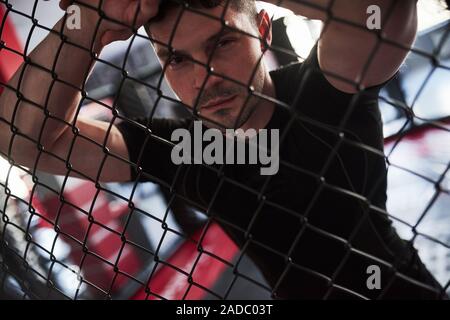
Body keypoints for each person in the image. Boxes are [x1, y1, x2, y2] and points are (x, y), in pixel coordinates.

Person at [0, 0, 446, 299]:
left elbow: (377, 9)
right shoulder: (183, 148)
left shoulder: (324, 92)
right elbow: (23, 140)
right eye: (177, 59)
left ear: (263, 31)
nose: (204, 77)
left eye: (222, 43)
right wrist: (91, 21)